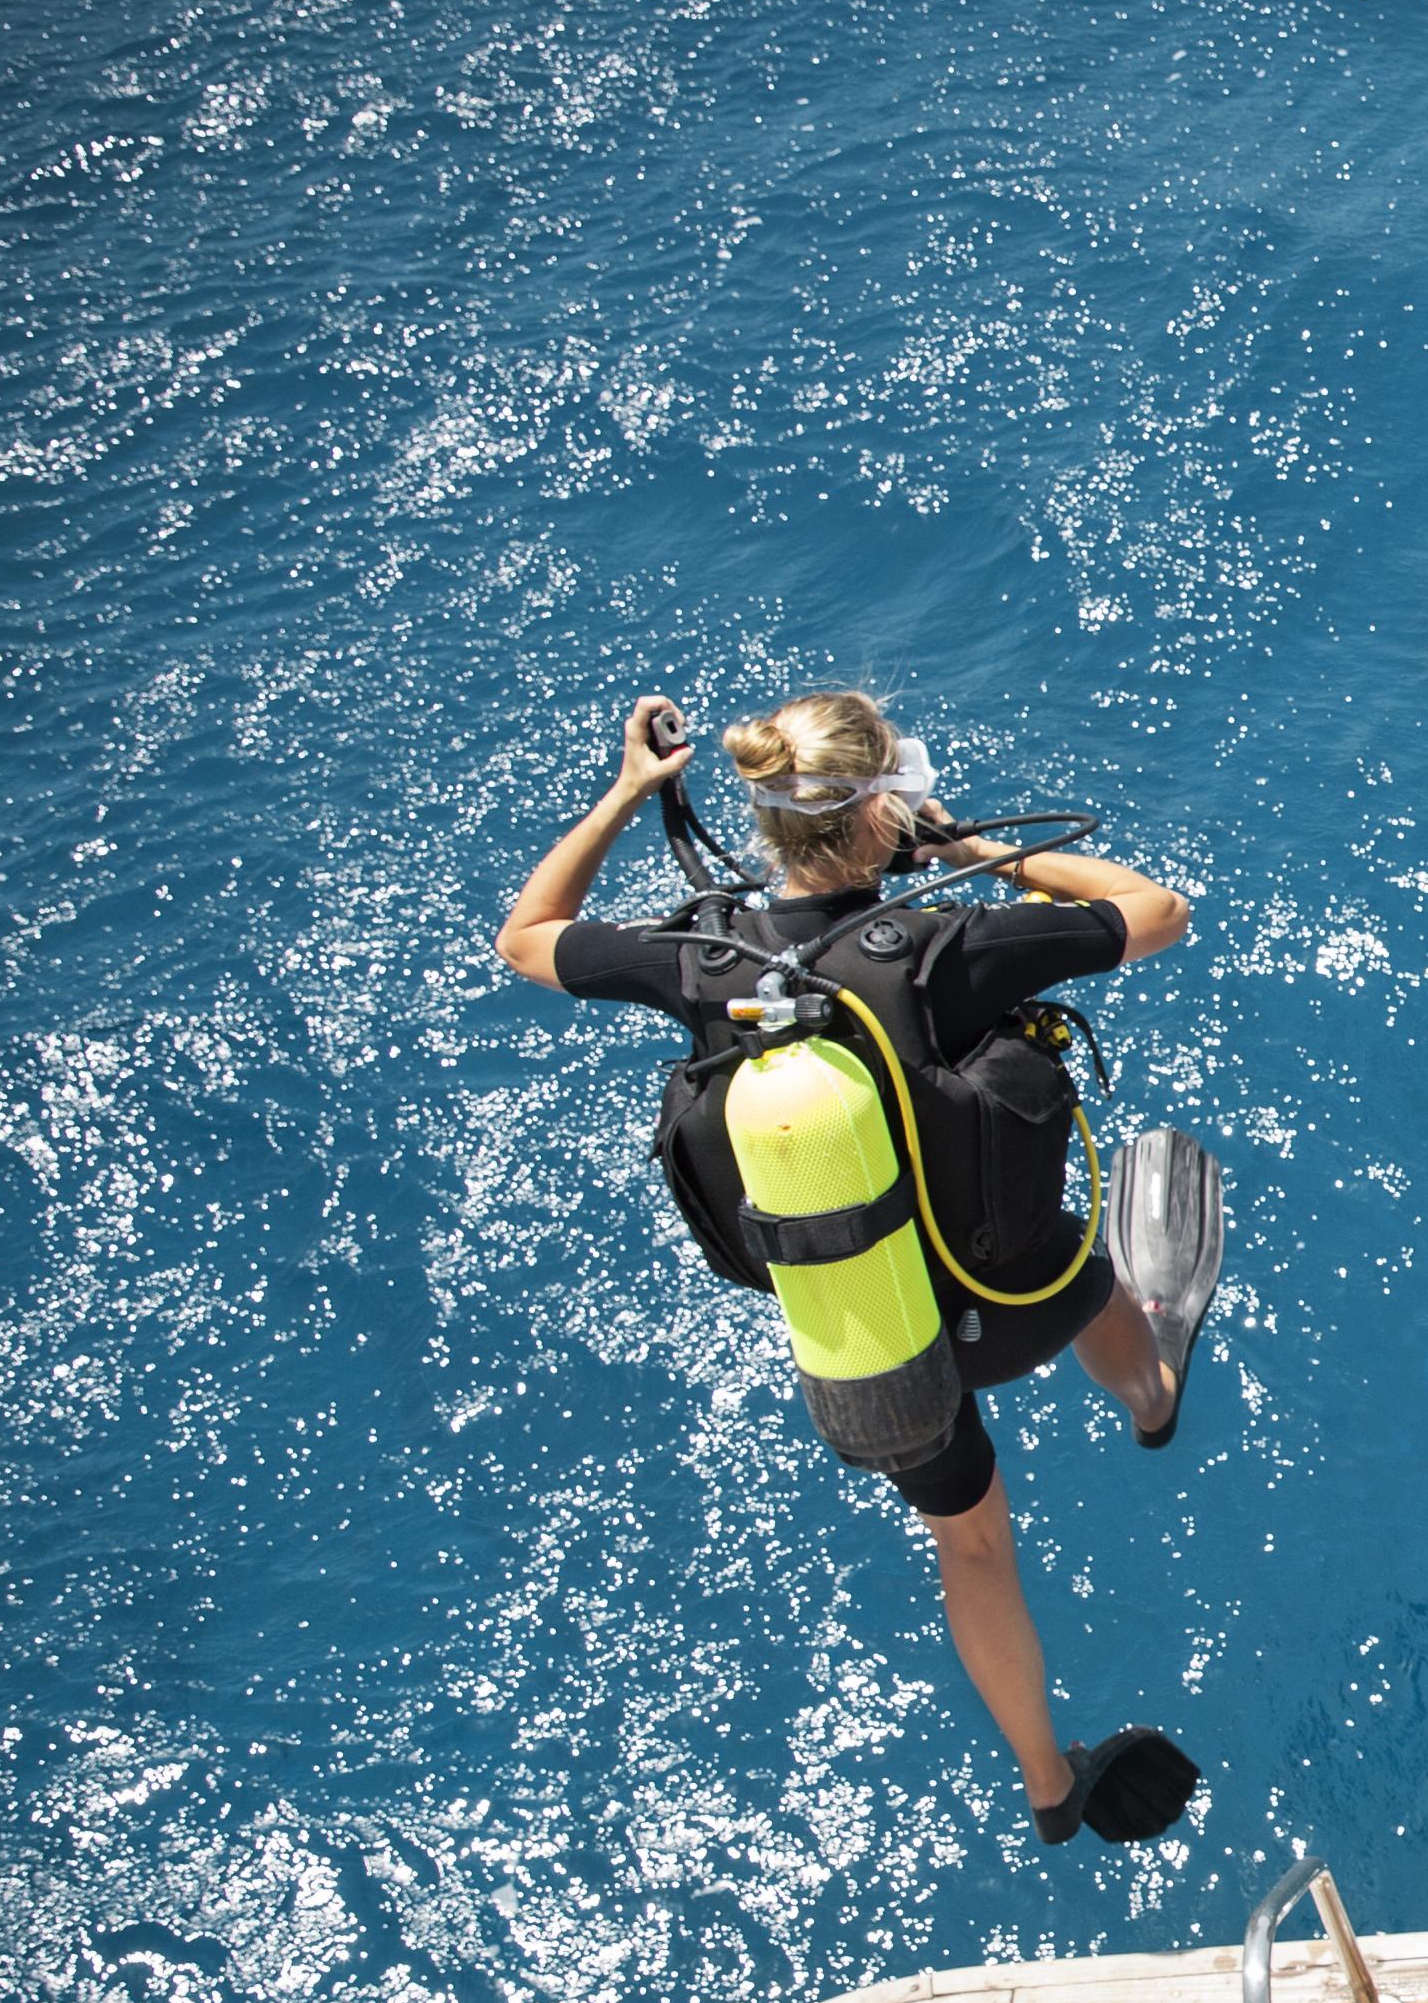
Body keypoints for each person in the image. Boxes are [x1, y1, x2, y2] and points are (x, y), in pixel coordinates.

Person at [498, 691, 1207, 1842]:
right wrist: (980, 853)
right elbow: (1157, 911)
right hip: (1016, 1296)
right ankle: (1154, 1399)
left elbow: (526, 936)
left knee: (972, 1541)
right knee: (1090, 1279)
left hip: (878, 1340)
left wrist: (627, 794)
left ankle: (1047, 1784)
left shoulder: (701, 962)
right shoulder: (946, 947)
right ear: (884, 807)